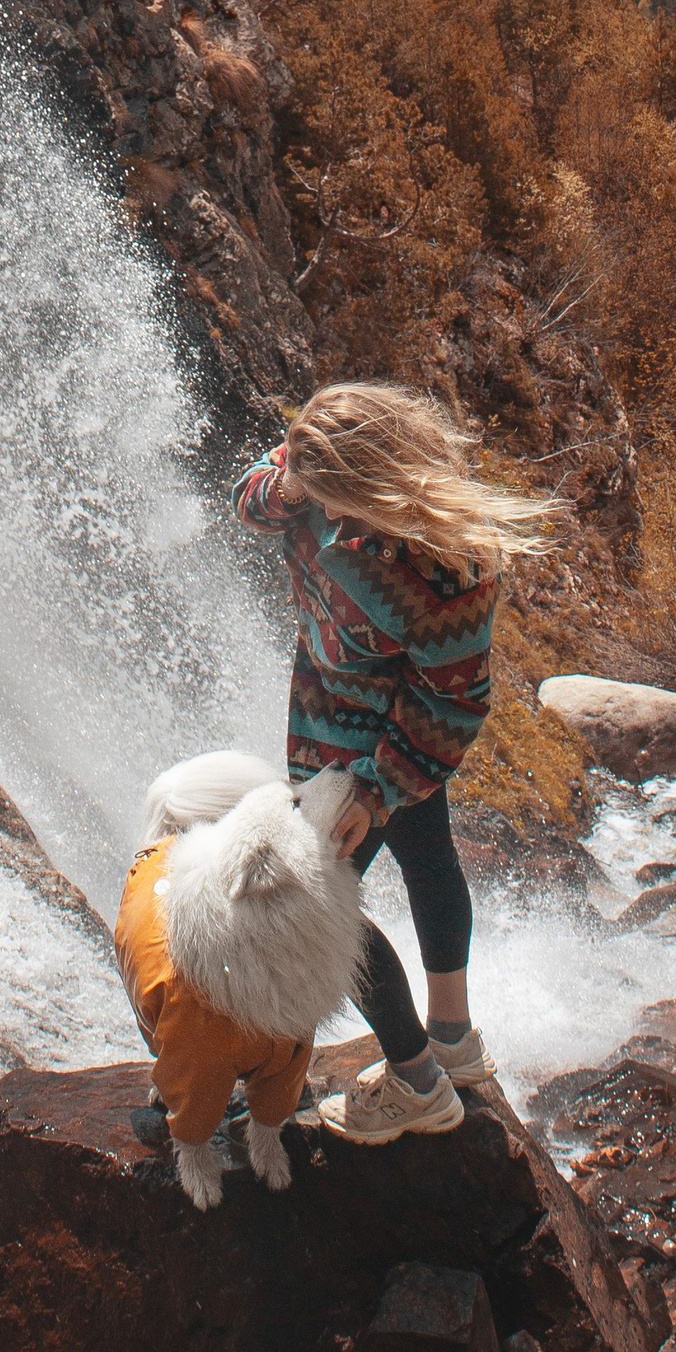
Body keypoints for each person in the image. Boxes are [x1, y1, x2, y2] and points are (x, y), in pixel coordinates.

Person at [232, 380, 557, 1144]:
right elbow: (248, 499)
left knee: (315, 902)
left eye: (345, 502)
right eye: (323, 496)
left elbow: (452, 704)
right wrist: (289, 484)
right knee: (428, 854)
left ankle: (416, 1081)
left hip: (385, 745)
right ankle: (452, 1039)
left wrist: (375, 793)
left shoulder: (446, 569)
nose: (333, 521)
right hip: (321, 717)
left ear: (380, 482)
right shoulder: (316, 470)